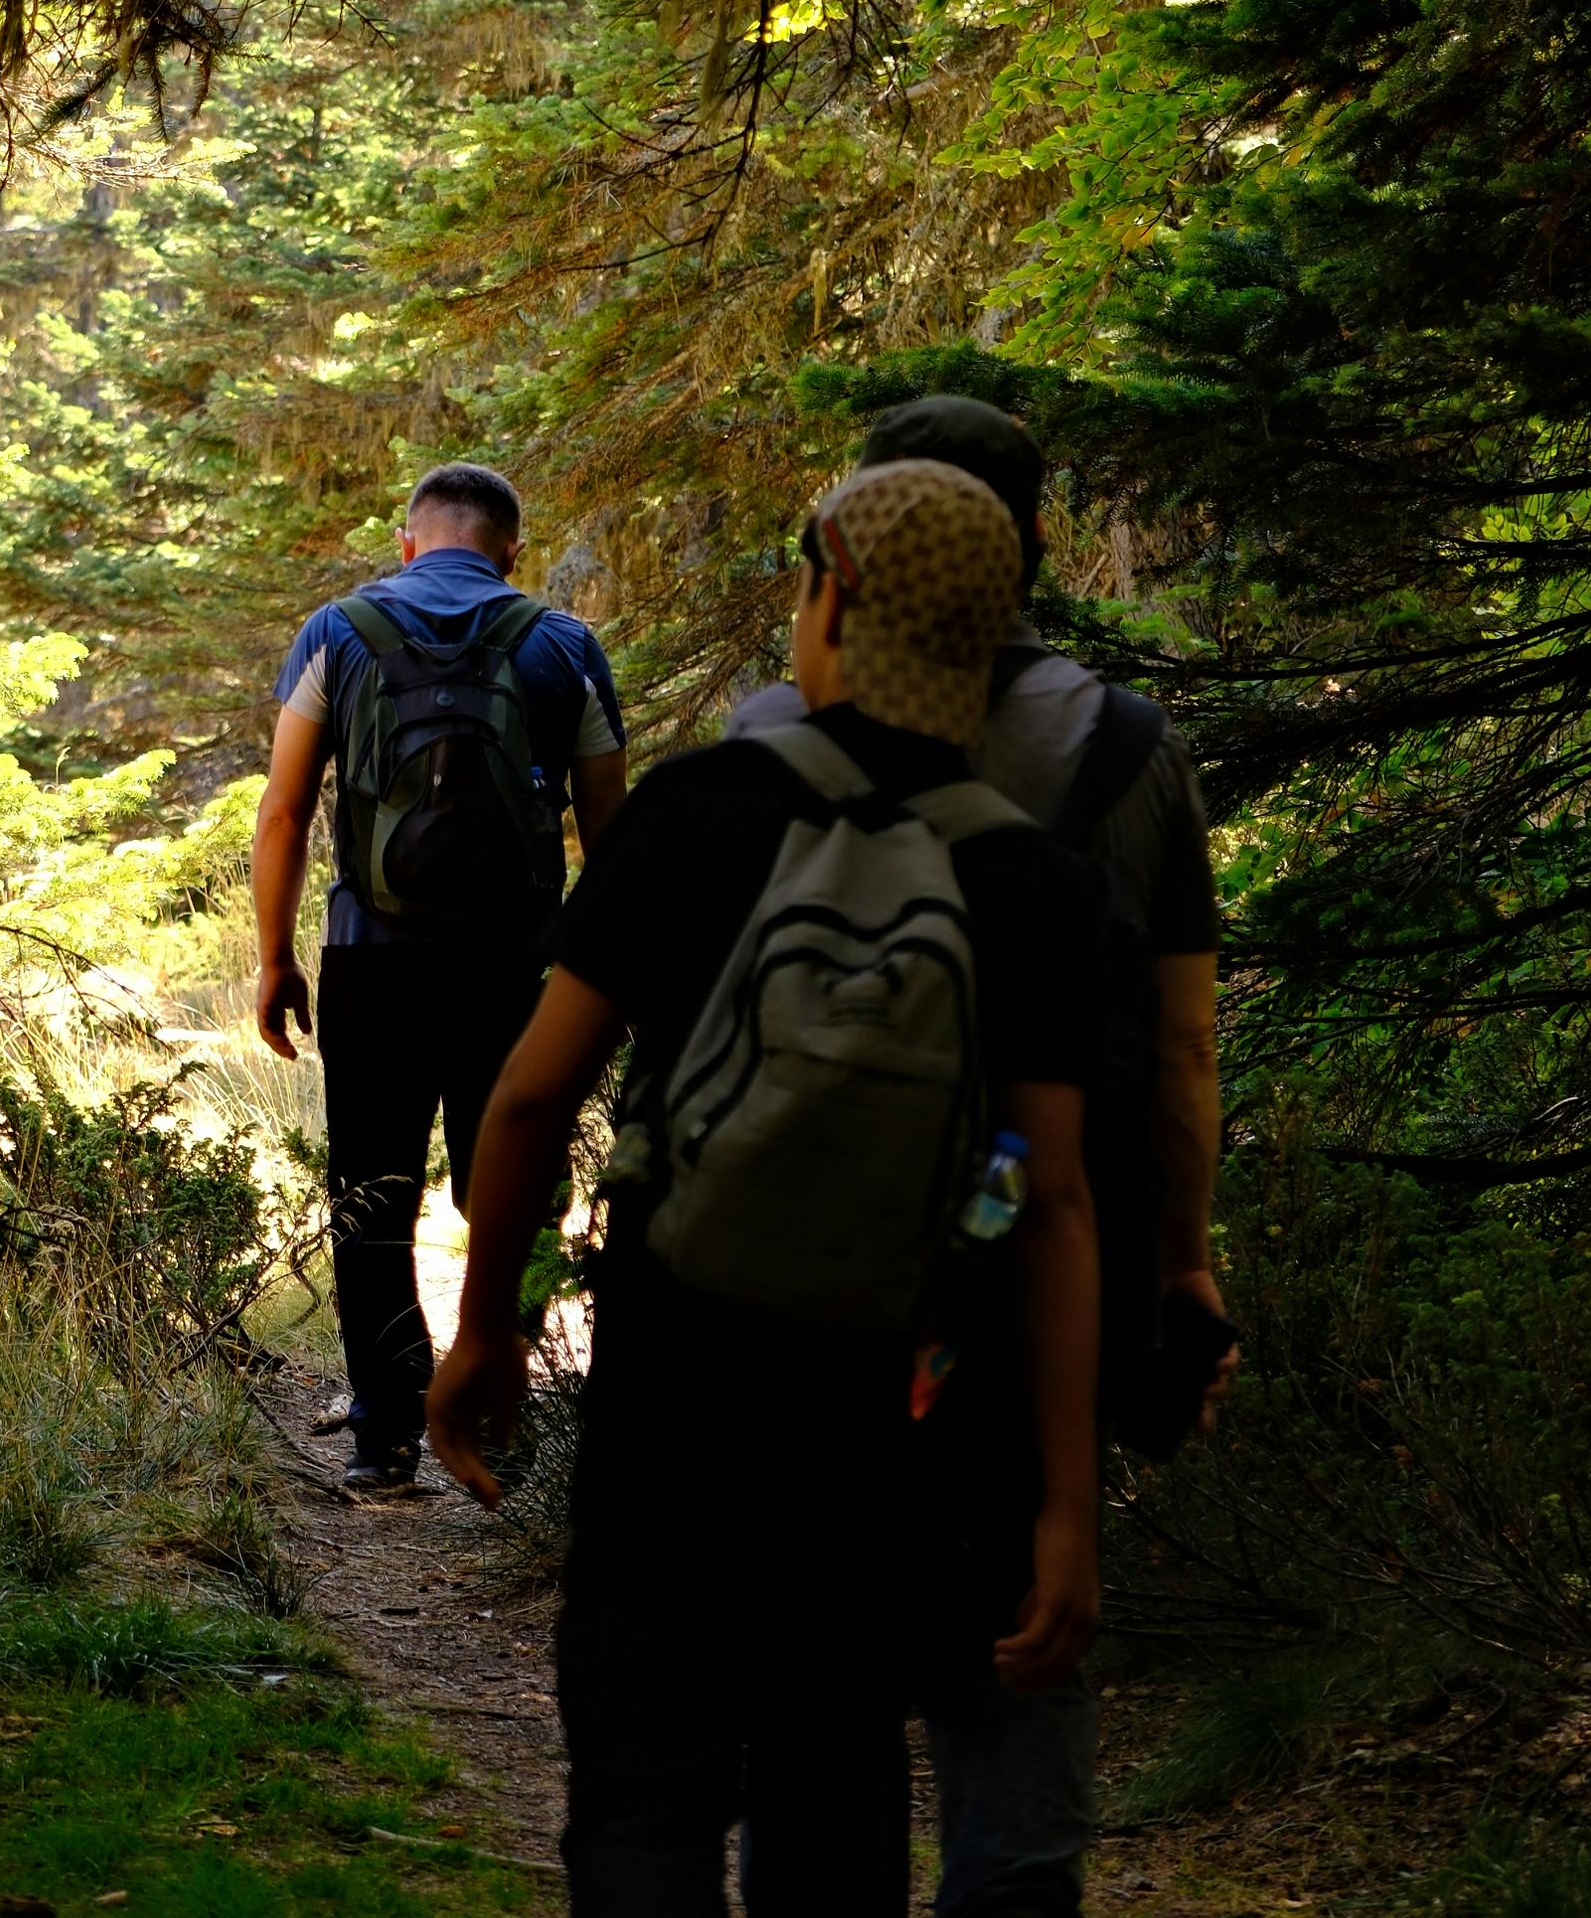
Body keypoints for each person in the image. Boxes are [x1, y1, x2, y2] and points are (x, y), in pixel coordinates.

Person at [429, 457, 1106, 1918]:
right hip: (899, 1416)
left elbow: (532, 1098)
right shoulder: (1036, 885)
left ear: (834, 596)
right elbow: (1046, 1203)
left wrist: (484, 1331)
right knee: (836, 1771)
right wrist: (1064, 1505)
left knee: (644, 1796)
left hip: (681, 1384)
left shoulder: (700, 811)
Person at [733, 394, 1227, 1918]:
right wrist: (1182, 1259)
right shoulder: (1129, 748)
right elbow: (1186, 1051)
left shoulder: (766, 736)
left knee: (817, 1652)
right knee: (1022, 1620)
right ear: (1029, 543)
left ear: (856, 546)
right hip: (1041, 1248)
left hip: (808, 1256)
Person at [254, 460, 627, 1493]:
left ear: (408, 544)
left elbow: (283, 810)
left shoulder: (338, 631)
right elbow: (611, 837)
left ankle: (385, 1438)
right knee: (509, 1182)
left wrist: (275, 957)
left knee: (371, 1193)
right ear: (512, 550)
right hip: (516, 967)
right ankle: (503, 1416)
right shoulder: (564, 644)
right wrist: (613, 983)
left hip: (369, 957)